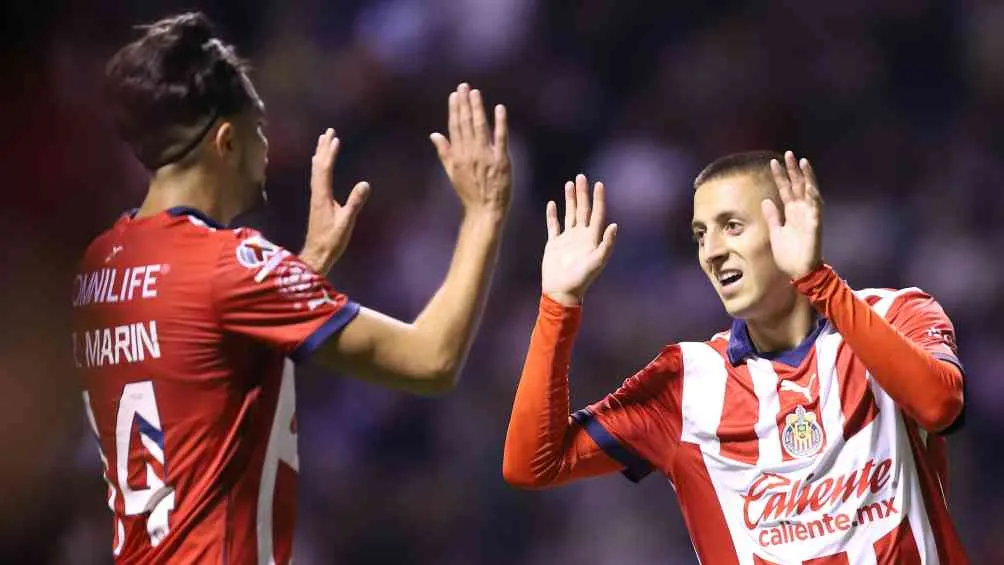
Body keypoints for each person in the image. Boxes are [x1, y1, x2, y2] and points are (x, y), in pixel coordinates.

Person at [72, 12, 511, 564]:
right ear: (225, 141)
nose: (268, 145)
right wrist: (483, 212)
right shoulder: (231, 265)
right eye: (258, 127)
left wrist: (306, 267)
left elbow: (203, 364)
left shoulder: (101, 265)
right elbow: (432, 360)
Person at [502, 152, 968, 564]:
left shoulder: (896, 314)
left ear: (789, 225)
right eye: (701, 234)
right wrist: (558, 305)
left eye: (732, 226)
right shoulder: (685, 383)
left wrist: (817, 281)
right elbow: (531, 465)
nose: (712, 251)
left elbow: (939, 406)